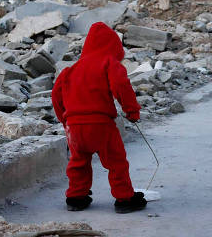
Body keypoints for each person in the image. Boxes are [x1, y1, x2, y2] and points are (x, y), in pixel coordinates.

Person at [51, 22, 147, 214]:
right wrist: (132, 111)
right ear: (113, 48)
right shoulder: (108, 63)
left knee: (78, 162)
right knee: (116, 161)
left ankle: (76, 197)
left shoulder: (70, 70)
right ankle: (124, 198)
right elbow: (121, 85)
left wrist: (65, 121)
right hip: (101, 124)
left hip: (74, 127)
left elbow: (56, 95)